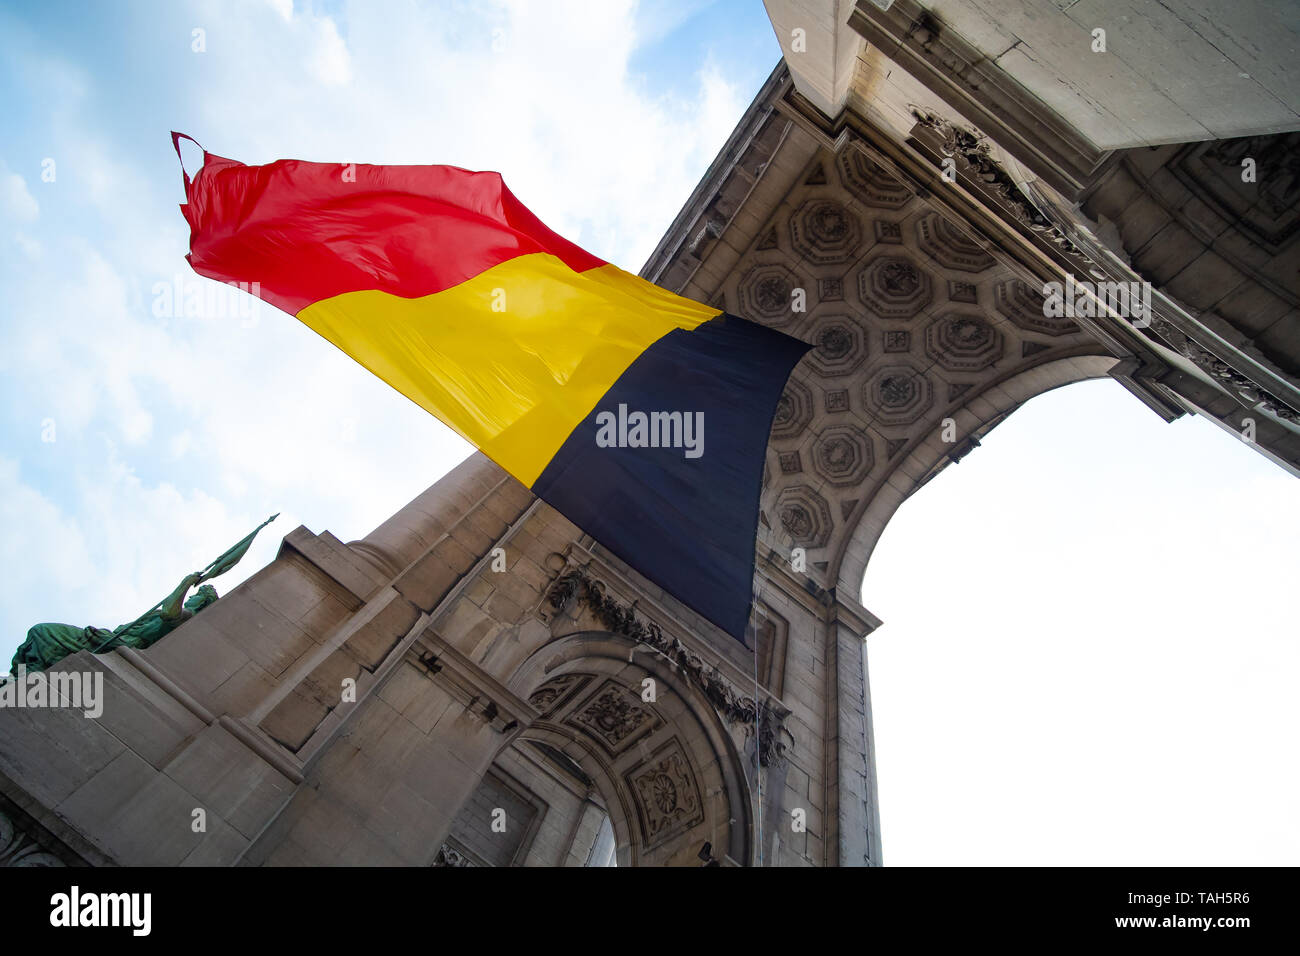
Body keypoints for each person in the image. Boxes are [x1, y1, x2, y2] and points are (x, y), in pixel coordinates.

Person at [9, 572, 220, 675]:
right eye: (196, 594)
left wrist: (185, 584)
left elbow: (168, 612)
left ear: (201, 603)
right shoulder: (183, 612)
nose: (193, 597)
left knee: (42, 631)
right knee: (40, 634)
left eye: (199, 596)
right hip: (109, 637)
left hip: (116, 645)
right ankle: (25, 677)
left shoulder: (187, 616)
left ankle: (26, 677)